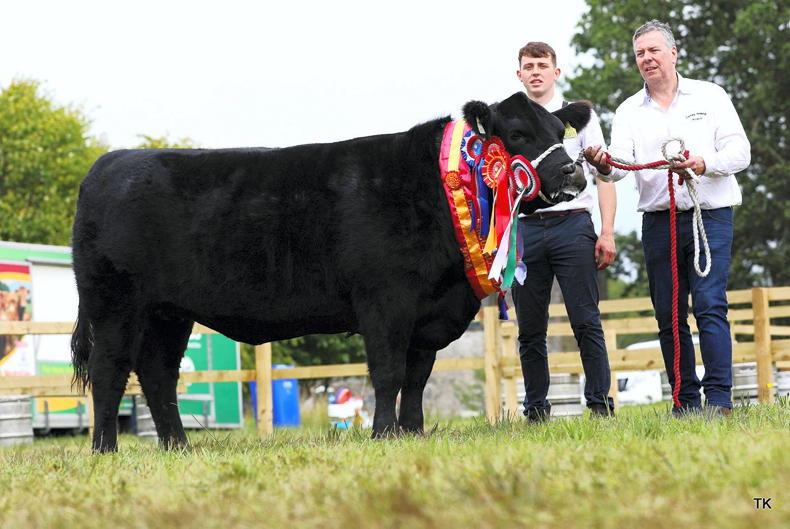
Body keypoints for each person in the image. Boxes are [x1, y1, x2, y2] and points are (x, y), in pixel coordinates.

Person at [585, 20, 750, 417]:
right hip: (660, 221)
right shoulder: (628, 110)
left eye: (654, 50)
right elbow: (619, 166)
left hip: (710, 215)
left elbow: (740, 153)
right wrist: (602, 164)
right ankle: (684, 401)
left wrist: (703, 163)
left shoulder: (710, 95)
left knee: (710, 304)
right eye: (640, 53)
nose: (647, 59)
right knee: (668, 313)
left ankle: (719, 400)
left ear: (673, 54)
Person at [512, 42, 617, 421]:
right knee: (530, 328)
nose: (535, 72)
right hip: (525, 229)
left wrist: (607, 232)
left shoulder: (580, 117)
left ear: (556, 72)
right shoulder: (509, 122)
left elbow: (604, 176)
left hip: (573, 225)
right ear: (519, 74)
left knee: (585, 320)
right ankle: (536, 409)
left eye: (542, 65)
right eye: (529, 66)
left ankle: (600, 405)